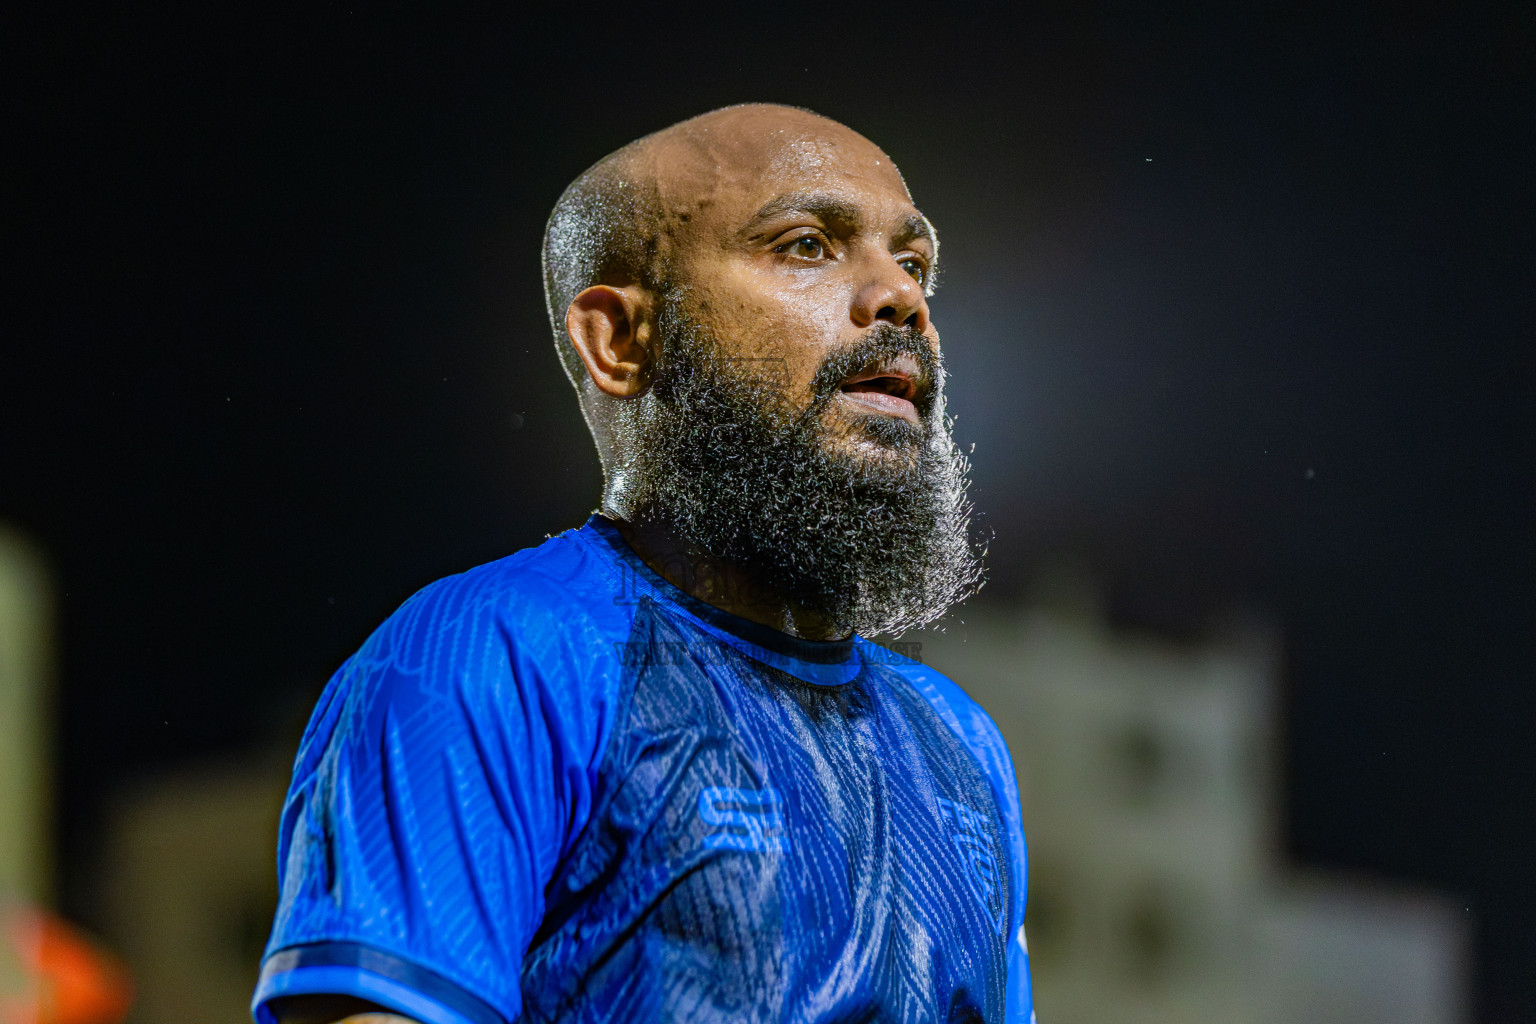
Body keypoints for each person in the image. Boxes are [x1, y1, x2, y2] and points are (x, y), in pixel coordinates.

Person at [250, 103, 1035, 1024]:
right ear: (620, 342)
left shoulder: (962, 743)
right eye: (807, 245)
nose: (901, 298)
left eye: (913, 262)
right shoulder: (490, 655)